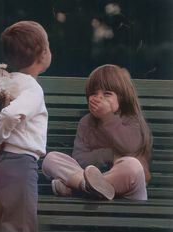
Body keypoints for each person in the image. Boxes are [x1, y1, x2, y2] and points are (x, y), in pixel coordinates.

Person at [0, 21, 51, 232]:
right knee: (20, 229)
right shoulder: (32, 89)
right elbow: (9, 115)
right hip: (20, 163)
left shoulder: (5, 85)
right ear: (44, 54)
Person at [42, 64, 152, 201]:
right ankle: (87, 186)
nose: (99, 98)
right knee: (51, 159)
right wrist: (108, 154)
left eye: (107, 94)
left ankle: (80, 189)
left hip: (128, 192)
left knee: (133, 166)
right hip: (87, 177)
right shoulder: (86, 123)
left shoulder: (131, 119)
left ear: (122, 97)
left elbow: (131, 147)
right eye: (94, 93)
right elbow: (79, 159)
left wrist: (108, 118)